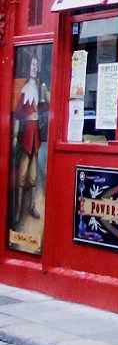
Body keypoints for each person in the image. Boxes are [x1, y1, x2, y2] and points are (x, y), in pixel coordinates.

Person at [12, 51, 48, 227]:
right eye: (32, 65)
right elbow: (18, 114)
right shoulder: (25, 88)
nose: (34, 68)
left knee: (33, 176)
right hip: (26, 133)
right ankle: (18, 211)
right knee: (22, 175)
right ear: (29, 67)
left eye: (36, 65)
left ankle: (32, 207)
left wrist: (44, 97)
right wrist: (14, 136)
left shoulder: (39, 86)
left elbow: (42, 109)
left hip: (35, 134)